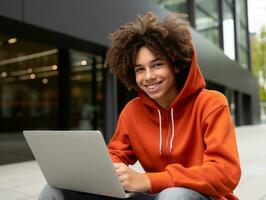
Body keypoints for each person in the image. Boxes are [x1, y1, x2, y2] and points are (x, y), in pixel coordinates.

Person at [38, 11, 241, 200]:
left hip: (203, 196)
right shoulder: (132, 111)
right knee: (54, 190)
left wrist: (147, 180)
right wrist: (104, 171)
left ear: (176, 65)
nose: (149, 76)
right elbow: (116, 154)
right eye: (140, 69)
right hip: (155, 194)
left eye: (157, 65)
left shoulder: (211, 103)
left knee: (173, 195)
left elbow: (225, 172)